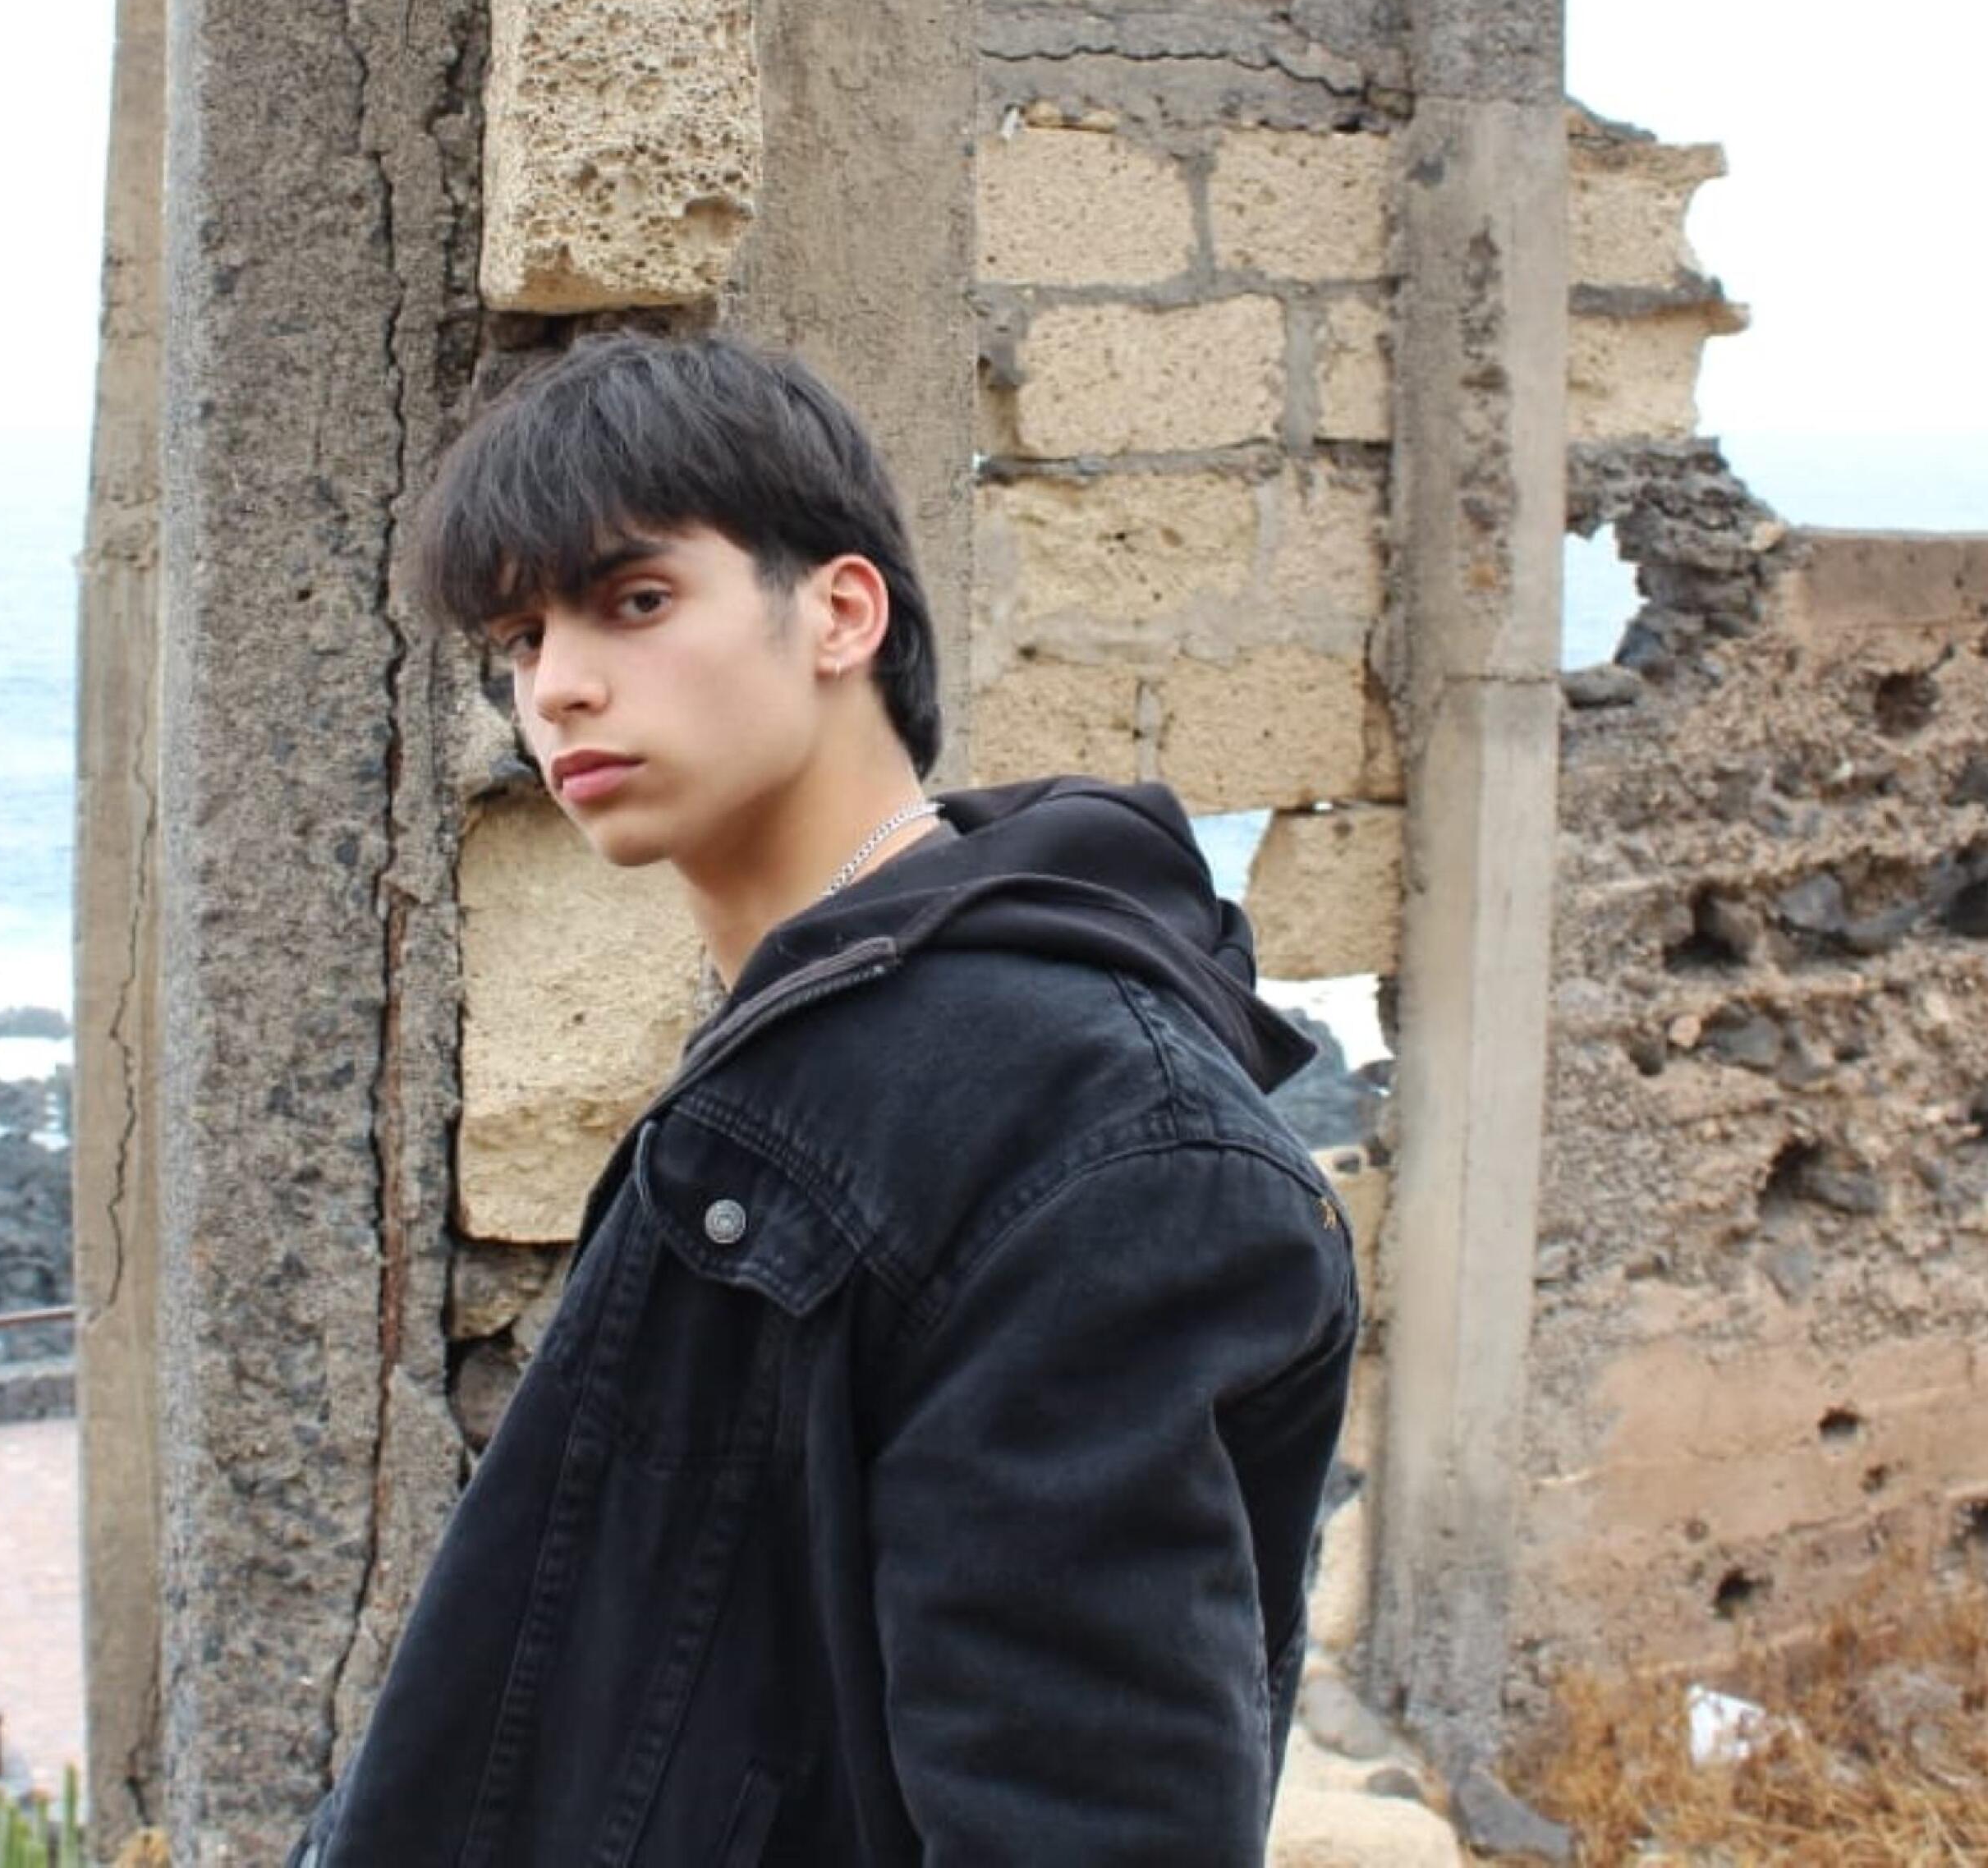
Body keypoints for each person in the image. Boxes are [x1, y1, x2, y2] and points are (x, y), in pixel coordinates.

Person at [290, 329, 1357, 1868]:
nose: (559, 689)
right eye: (521, 638)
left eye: (634, 601)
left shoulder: (1083, 1127)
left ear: (842, 613)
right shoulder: (829, 1037)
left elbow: (1087, 1821)